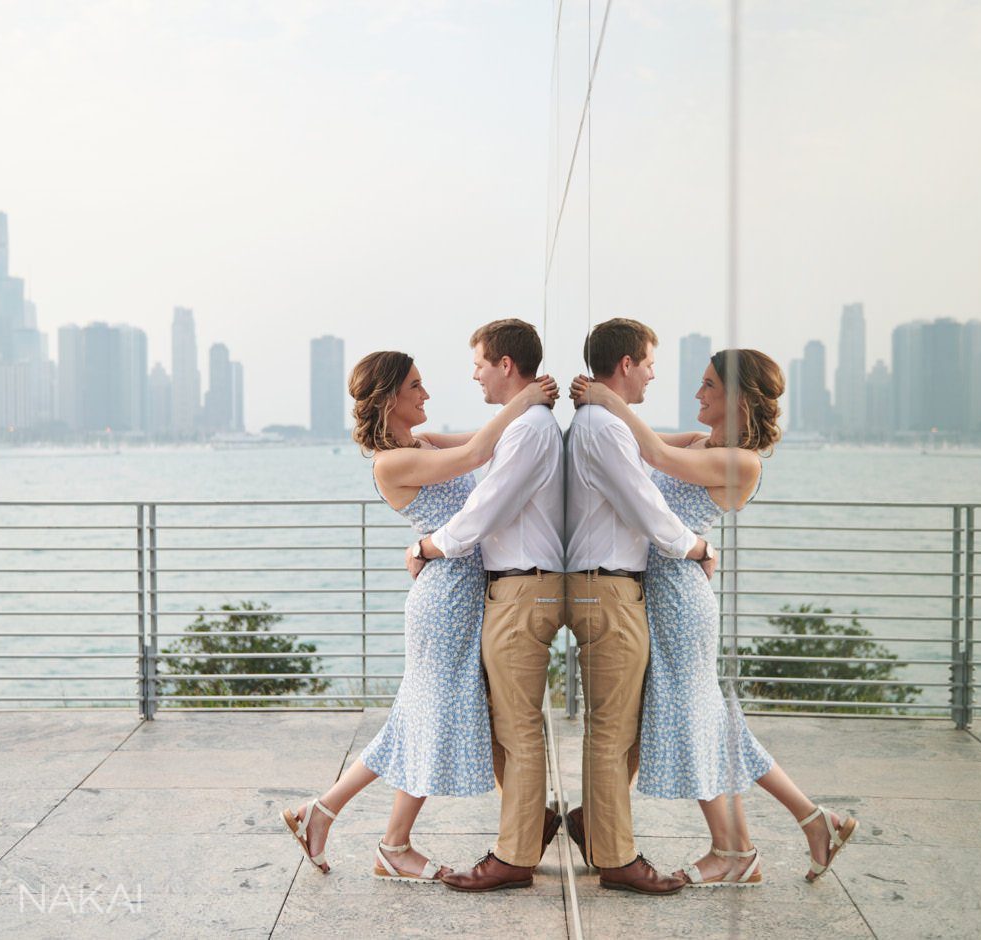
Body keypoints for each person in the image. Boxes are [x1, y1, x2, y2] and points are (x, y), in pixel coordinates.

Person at [569, 348, 858, 887]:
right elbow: (636, 444)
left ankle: (734, 849)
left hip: (678, 596)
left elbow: (653, 451)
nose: (698, 395)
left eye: (708, 386)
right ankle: (807, 823)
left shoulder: (741, 462)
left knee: (689, 714)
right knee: (715, 722)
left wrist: (606, 397)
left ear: (736, 398)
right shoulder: (708, 444)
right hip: (662, 588)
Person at [282, 350, 558, 881]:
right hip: (446, 598)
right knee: (430, 715)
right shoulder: (393, 463)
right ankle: (390, 843)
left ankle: (326, 814)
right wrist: (524, 397)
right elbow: (478, 450)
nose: (426, 395)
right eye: (416, 387)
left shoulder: (421, 444)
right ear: (389, 399)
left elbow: (493, 443)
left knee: (418, 717)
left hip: (461, 590)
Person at [406, 319, 566, 893]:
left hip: (523, 588)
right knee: (512, 729)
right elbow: (482, 449)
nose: (472, 374)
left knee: (516, 730)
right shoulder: (523, 424)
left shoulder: (529, 429)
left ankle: (514, 856)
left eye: (478, 363)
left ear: (505, 364)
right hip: (520, 585)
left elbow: (486, 511)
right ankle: (533, 829)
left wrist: (429, 544)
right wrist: (434, 443)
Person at [563, 318, 715, 896]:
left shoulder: (603, 422)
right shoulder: (603, 425)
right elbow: (645, 503)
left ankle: (599, 836)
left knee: (614, 730)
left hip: (606, 583)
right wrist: (695, 545)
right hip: (608, 587)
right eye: (649, 362)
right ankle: (618, 861)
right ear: (625, 364)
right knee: (613, 733)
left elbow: (645, 465)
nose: (654, 372)